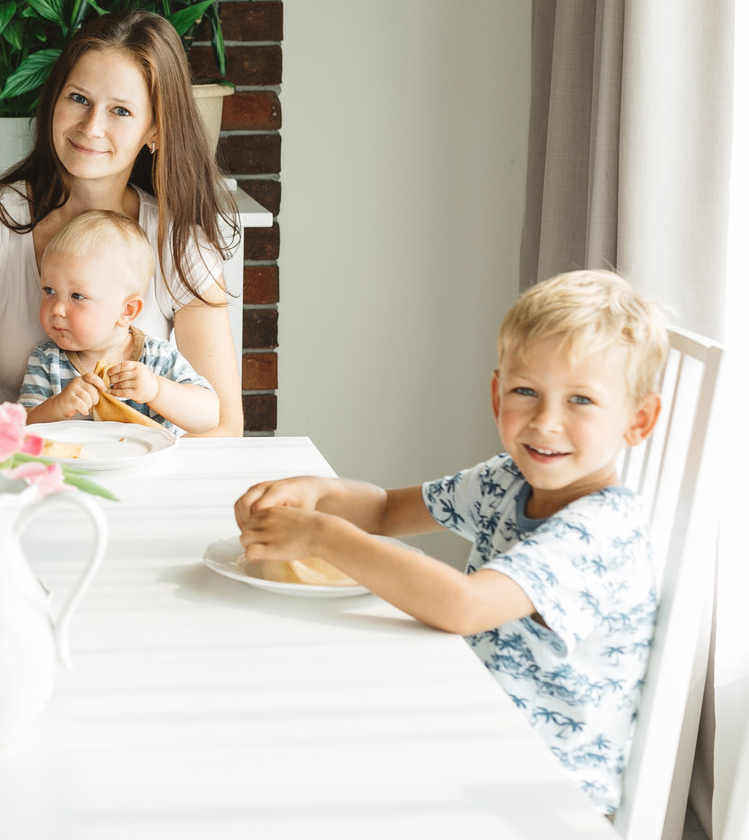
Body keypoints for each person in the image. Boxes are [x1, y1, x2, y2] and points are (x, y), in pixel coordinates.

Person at [234, 270, 667, 814]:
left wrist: (323, 536)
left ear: (638, 421)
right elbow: (387, 510)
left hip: (539, 791)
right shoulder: (508, 479)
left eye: (580, 400)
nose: (546, 421)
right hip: (471, 728)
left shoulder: (600, 531)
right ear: (497, 396)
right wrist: (315, 492)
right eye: (526, 392)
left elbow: (464, 607)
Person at [0, 9, 244, 434]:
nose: (91, 127)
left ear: (155, 131)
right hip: (19, 467)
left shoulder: (180, 242)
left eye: (121, 111)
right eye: (78, 99)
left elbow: (224, 428)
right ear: (54, 99)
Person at [20, 210, 219, 435]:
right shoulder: (48, 360)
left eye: (77, 296)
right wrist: (56, 407)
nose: (57, 308)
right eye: (49, 290)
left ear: (127, 310)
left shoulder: (157, 357)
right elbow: (20, 427)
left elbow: (210, 416)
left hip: (151, 459)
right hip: (75, 459)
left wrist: (156, 390)